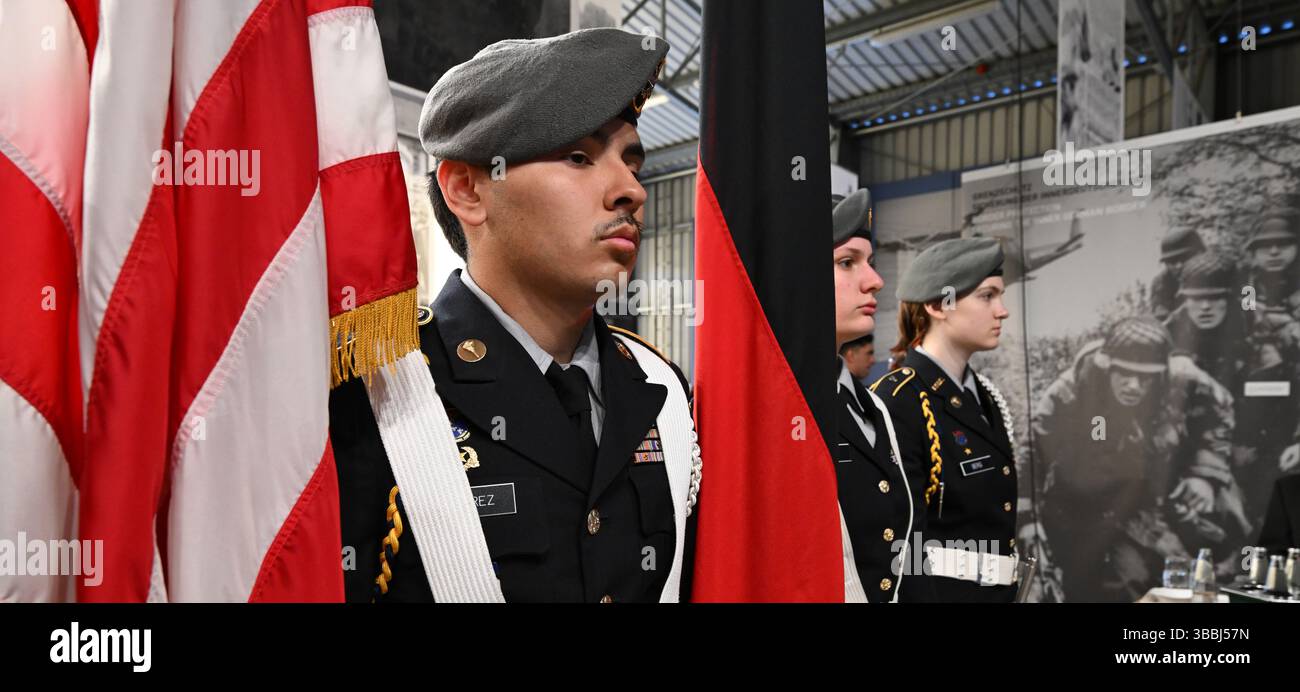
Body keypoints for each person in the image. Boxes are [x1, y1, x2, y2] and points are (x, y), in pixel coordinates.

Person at [330, 28, 701, 603]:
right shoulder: (376, 391)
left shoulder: (661, 388)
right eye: (578, 156)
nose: (631, 189)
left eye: (632, 162)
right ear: (468, 190)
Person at [1033, 317, 1250, 601]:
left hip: (1168, 473)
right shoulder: (1074, 386)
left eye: (1145, 376)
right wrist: (1028, 518)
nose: (1134, 386)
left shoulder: (1183, 375)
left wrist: (1205, 474)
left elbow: (1221, 411)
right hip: (1100, 491)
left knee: (1229, 521)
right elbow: (1033, 446)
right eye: (1124, 373)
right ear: (1105, 365)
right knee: (1120, 573)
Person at [870, 237, 1020, 603]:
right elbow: (898, 539)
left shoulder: (984, 396)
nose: (1002, 311)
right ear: (939, 305)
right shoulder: (896, 399)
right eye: (987, 296)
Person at [828, 190, 923, 603]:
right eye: (847, 262)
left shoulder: (874, 409)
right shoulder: (757, 410)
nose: (876, 280)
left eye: (870, 262)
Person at [1149, 227, 1205, 322]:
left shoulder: (1216, 271)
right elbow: (1162, 319)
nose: (1179, 266)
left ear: (1200, 254)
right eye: (1172, 261)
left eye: (1184, 258)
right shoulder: (1161, 283)